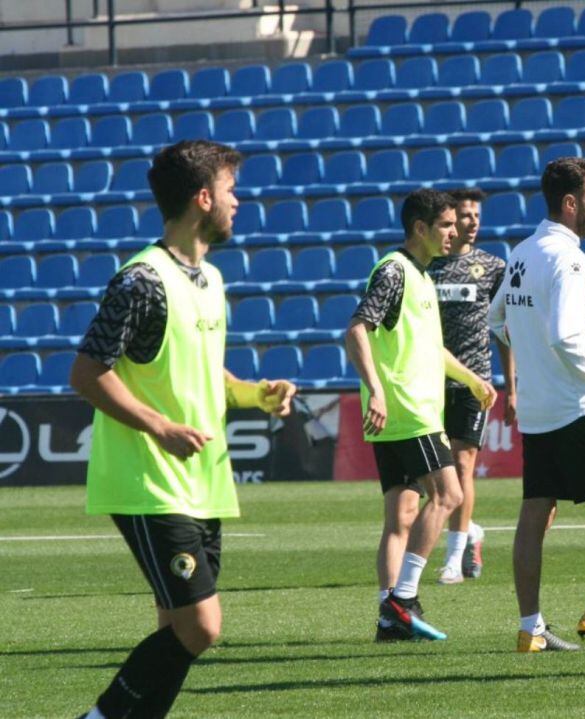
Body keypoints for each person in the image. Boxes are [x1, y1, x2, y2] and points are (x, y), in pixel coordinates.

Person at [71, 140, 297, 718]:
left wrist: (255, 395)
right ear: (203, 198)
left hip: (201, 482)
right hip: (149, 479)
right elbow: (88, 373)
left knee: (178, 627)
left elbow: (204, 372)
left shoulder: (209, 279)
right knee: (202, 626)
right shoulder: (141, 280)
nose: (237, 201)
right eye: (229, 190)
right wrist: (159, 426)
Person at [489, 157, 585, 654]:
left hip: (538, 410)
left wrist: (525, 371)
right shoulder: (569, 257)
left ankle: (531, 627)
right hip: (577, 404)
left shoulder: (521, 251)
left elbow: (496, 320)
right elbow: (565, 336)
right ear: (570, 203)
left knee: (536, 510)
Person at [345, 188, 497, 642]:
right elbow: (356, 329)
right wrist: (375, 388)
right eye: (447, 225)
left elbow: (430, 347)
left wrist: (471, 379)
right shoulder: (395, 272)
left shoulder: (422, 277)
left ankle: (388, 620)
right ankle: (404, 598)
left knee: (401, 516)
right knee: (448, 495)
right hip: (408, 409)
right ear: (420, 228)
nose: (454, 232)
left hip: (399, 412)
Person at [427, 188, 516, 585]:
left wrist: (510, 385)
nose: (472, 221)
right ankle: (471, 531)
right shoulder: (428, 267)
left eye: (476, 215)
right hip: (428, 381)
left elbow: (504, 329)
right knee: (433, 473)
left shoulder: (493, 267)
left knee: (463, 466)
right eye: (464, 215)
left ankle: (453, 556)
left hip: (474, 381)